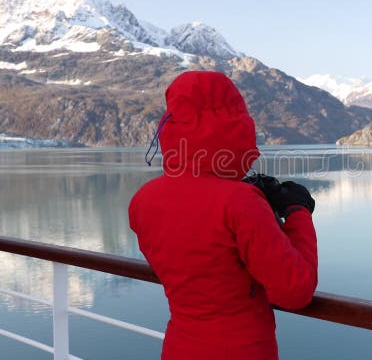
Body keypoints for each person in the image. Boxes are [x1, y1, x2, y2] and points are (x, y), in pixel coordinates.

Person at [129, 70, 318, 360]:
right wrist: (297, 211)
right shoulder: (239, 203)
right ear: (237, 129)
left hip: (179, 348)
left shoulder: (143, 201)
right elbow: (295, 290)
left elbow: (205, 262)